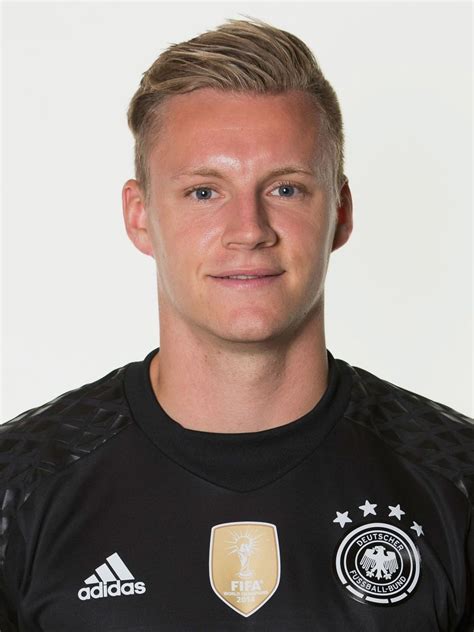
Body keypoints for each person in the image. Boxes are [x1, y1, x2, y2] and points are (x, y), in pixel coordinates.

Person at [0, 16, 472, 631]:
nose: (249, 229)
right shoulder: (17, 490)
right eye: (204, 192)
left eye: (286, 189)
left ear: (341, 212)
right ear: (140, 217)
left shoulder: (456, 482)